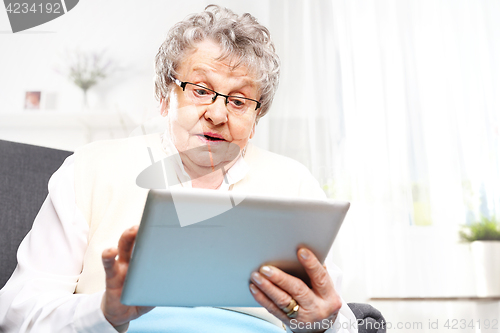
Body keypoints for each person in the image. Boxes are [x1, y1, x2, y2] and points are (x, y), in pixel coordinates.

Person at [0, 5, 357, 333]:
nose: (218, 115)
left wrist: (320, 324)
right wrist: (105, 310)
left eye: (238, 100)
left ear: (256, 116)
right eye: (200, 90)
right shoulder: (88, 170)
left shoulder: (294, 182)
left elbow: (338, 316)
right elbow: (17, 312)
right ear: (163, 95)